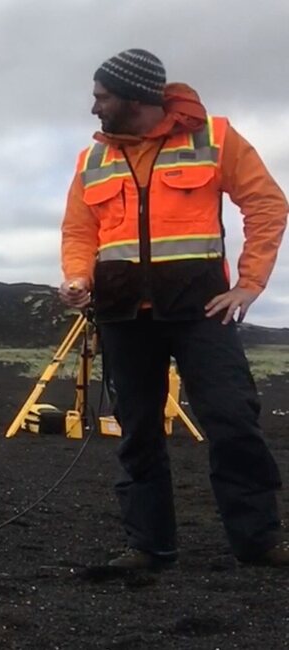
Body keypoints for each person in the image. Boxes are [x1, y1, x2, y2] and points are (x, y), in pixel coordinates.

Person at [58, 48, 289, 569]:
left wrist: (250, 285)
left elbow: (267, 204)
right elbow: (80, 230)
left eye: (102, 96)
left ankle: (258, 543)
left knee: (233, 420)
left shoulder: (214, 137)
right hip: (121, 314)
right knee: (137, 430)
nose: (94, 107)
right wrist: (78, 276)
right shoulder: (92, 159)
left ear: (135, 97)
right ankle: (149, 546)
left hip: (201, 311)